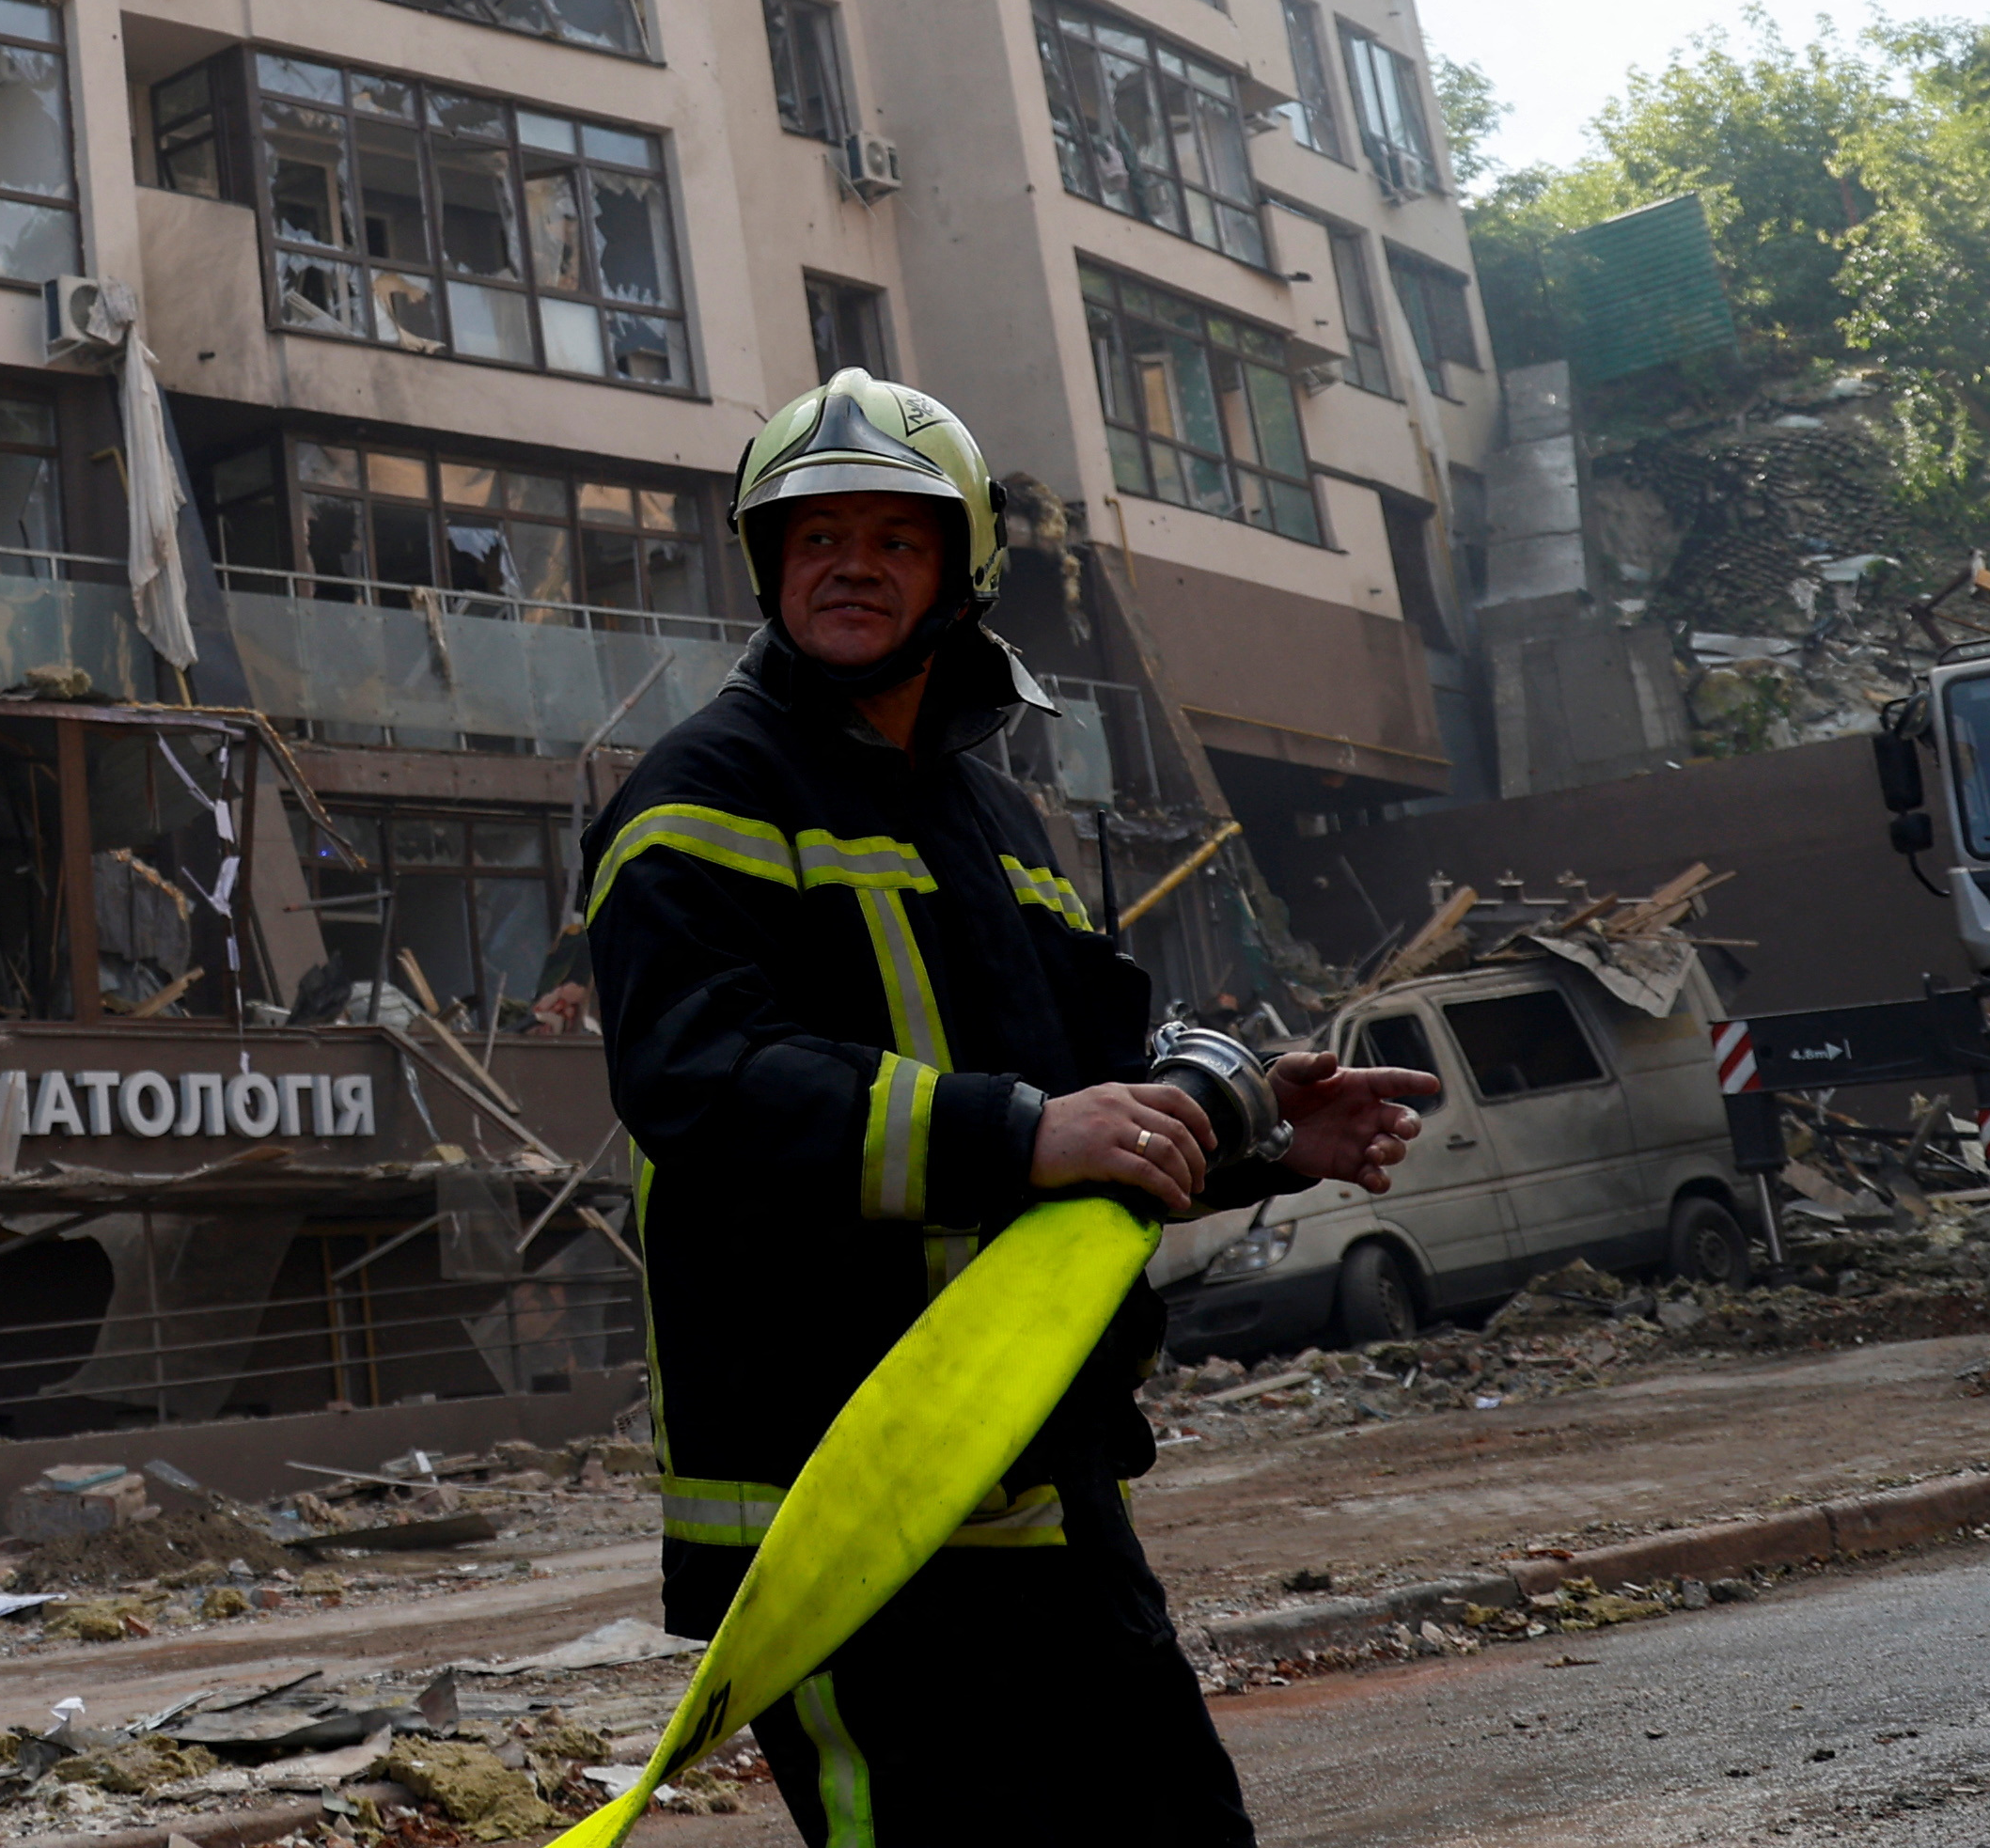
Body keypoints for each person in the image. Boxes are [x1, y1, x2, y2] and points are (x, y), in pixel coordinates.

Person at [578, 372, 1438, 1846]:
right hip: (843, 1504)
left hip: (1040, 1466)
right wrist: (1016, 1133)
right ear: (767, 569)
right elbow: (699, 1082)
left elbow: (1090, 1081)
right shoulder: (698, 795)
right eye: (812, 539)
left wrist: (1248, 1134)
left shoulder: (995, 822)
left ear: (963, 571)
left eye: (894, 539)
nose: (848, 563)